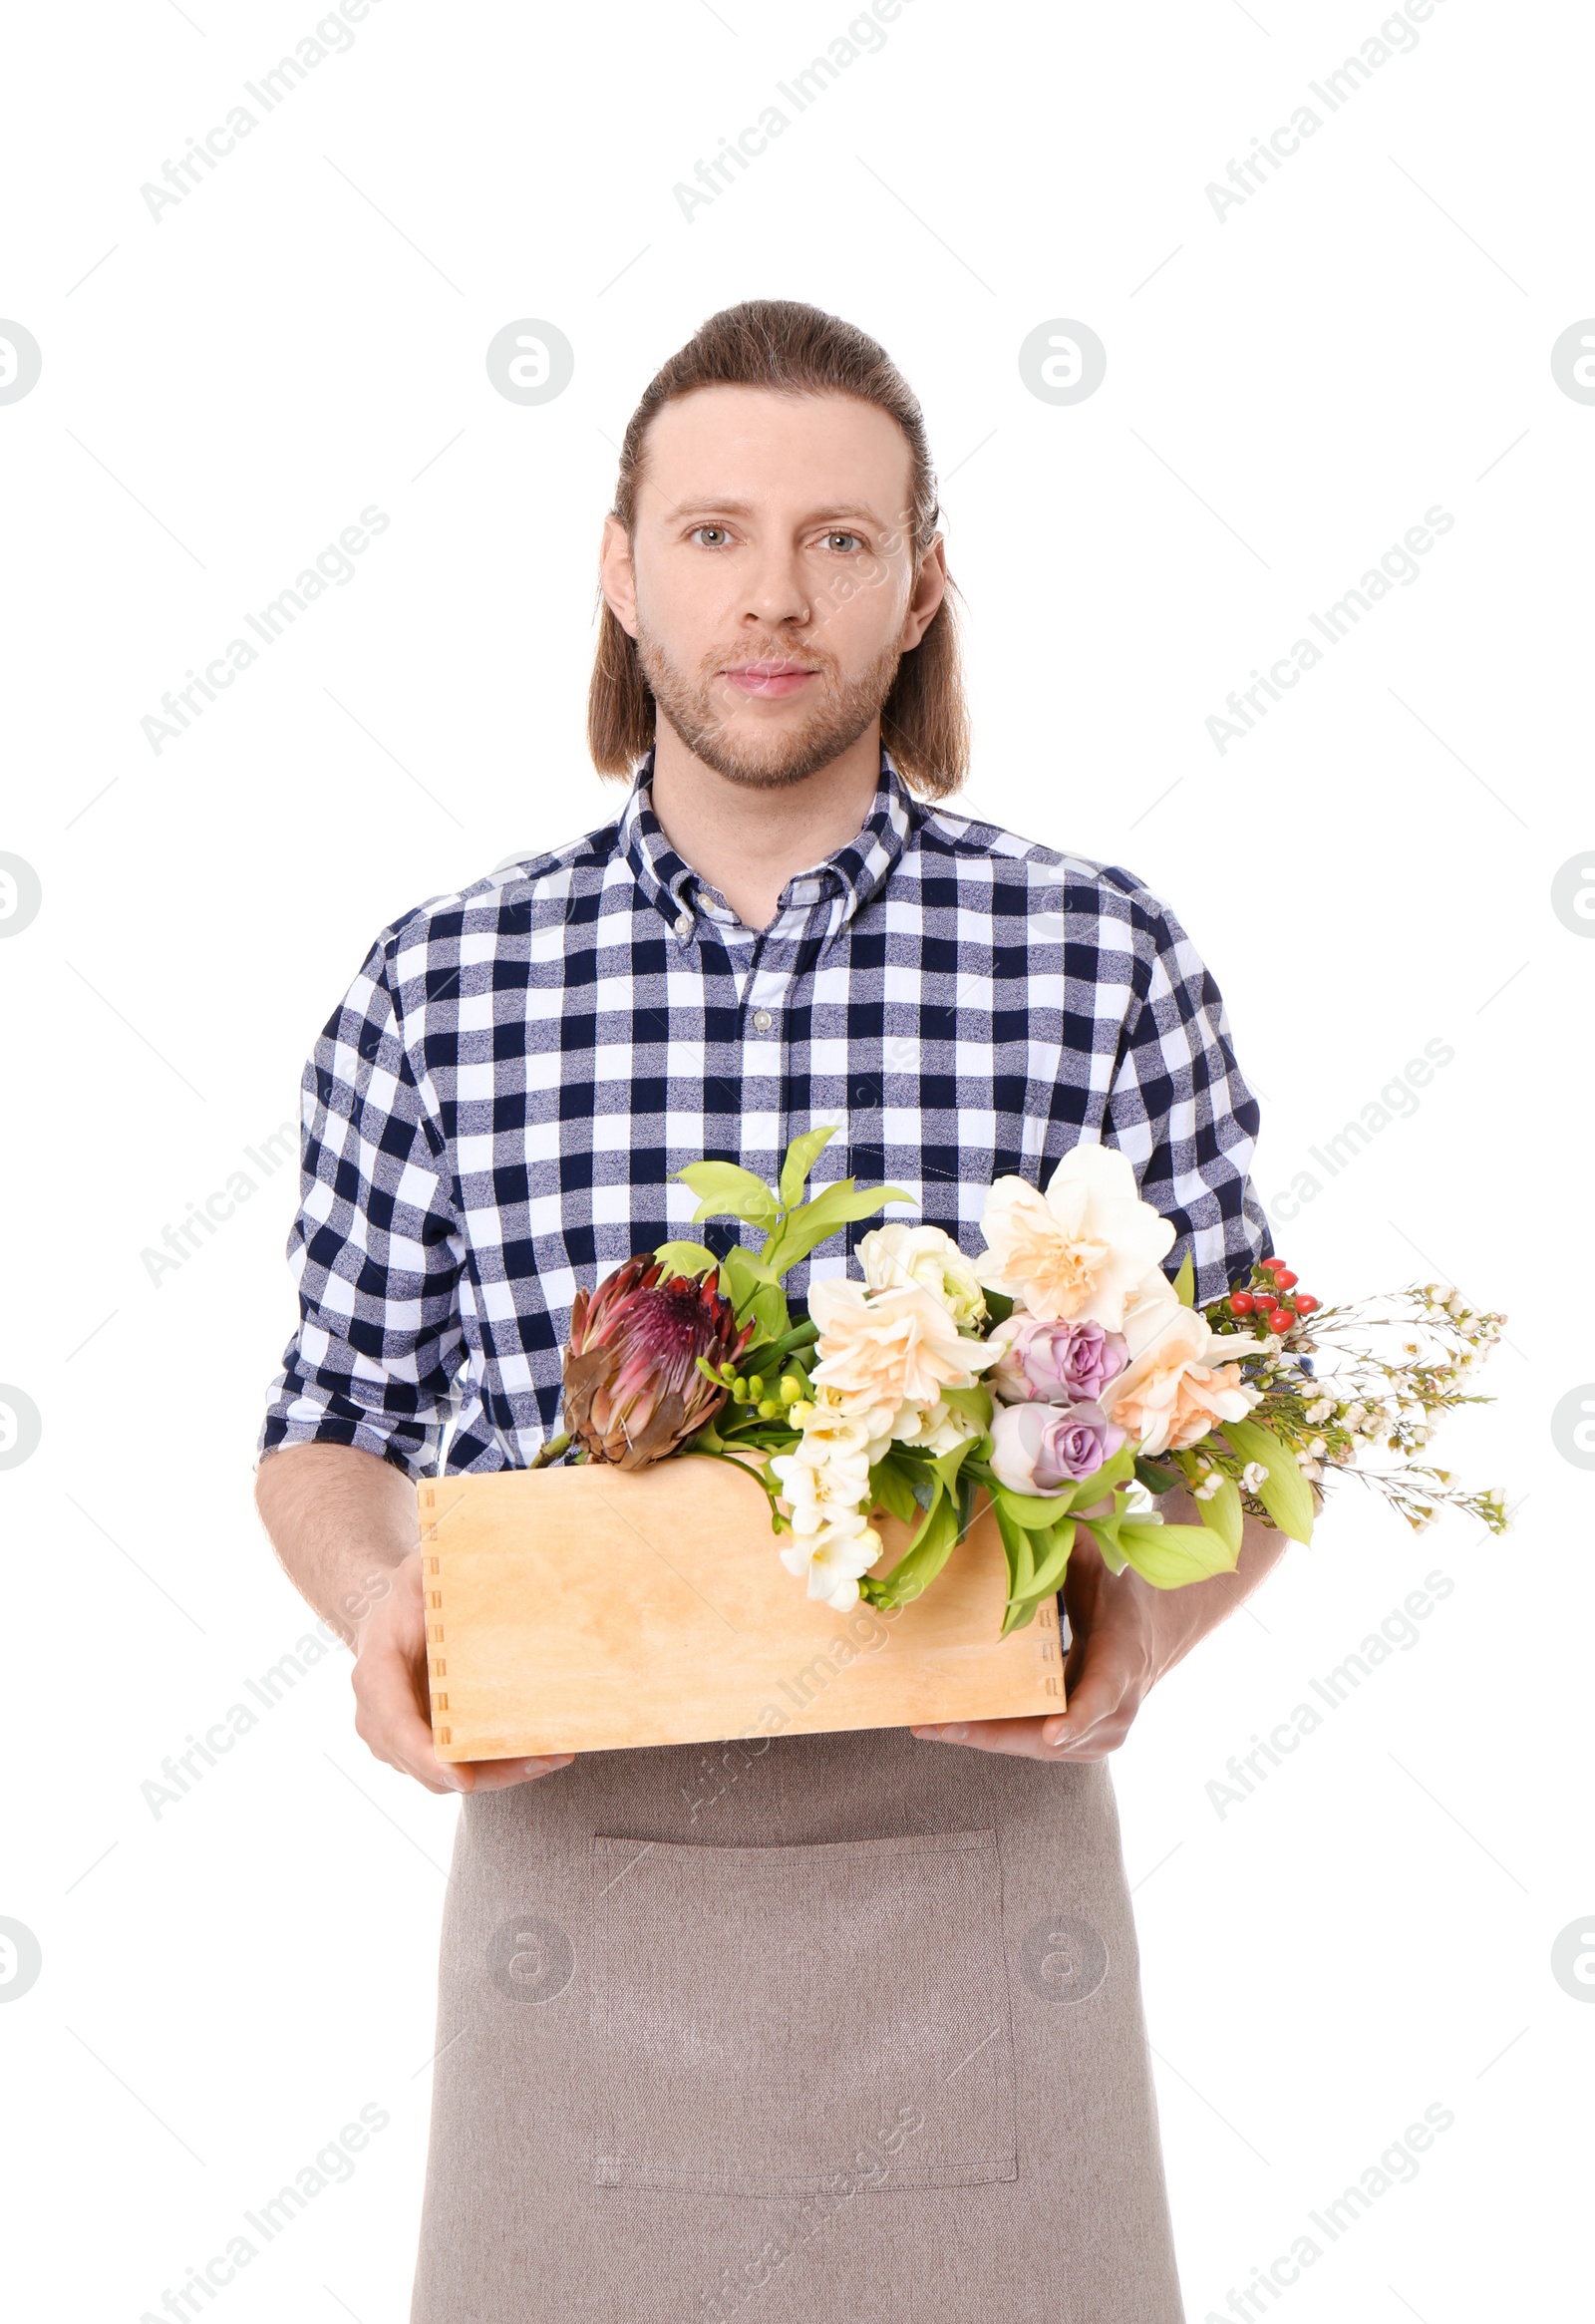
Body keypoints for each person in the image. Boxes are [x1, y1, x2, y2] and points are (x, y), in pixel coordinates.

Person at [254, 298, 1283, 2324]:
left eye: (840, 537)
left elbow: (1259, 1386)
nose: (775, 593)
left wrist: (1143, 1621)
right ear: (620, 572)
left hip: (984, 1878)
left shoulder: (1094, 952)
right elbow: (330, 1415)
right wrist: (383, 1599)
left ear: (917, 595)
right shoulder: (435, 983)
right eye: (714, 530)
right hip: (572, 1888)